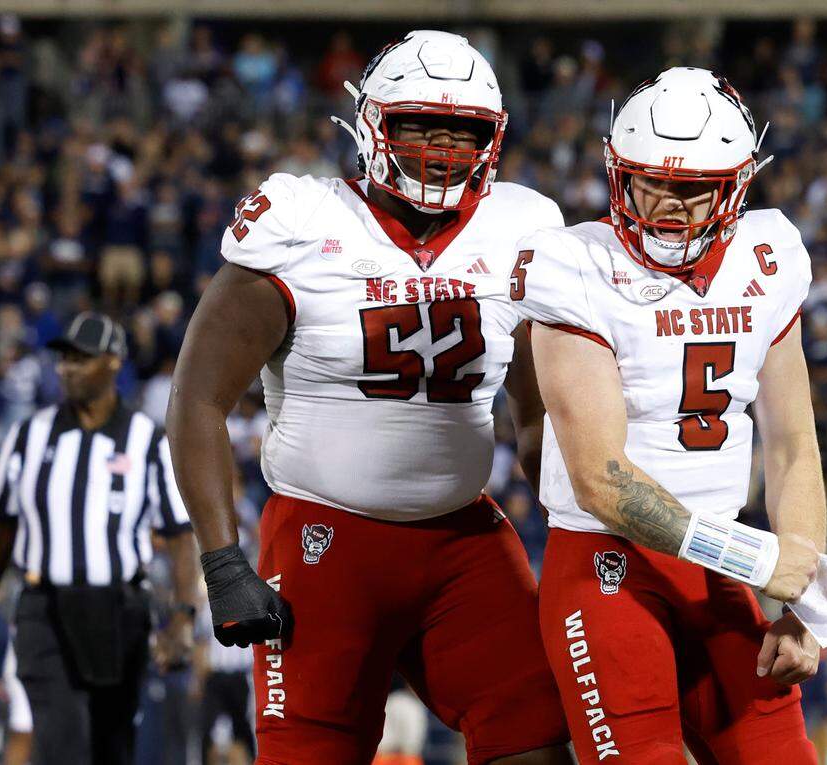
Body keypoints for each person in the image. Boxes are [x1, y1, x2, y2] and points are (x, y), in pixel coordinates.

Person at [166, 30, 572, 765]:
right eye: (420, 122)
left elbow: (536, 409)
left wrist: (571, 522)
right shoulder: (302, 222)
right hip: (328, 540)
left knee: (536, 733)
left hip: (462, 539)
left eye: (464, 128)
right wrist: (222, 563)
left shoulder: (525, 227)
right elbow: (197, 396)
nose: (444, 144)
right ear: (372, 124)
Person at [508, 68, 825, 763]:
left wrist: (803, 606)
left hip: (716, 568)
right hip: (605, 561)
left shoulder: (767, 256)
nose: (666, 202)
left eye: (692, 187)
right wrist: (754, 558)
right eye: (649, 180)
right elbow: (601, 480)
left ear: (736, 186)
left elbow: (794, 443)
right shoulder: (574, 262)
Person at [0, 312, 198, 764]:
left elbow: (178, 533)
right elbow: (2, 528)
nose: (66, 367)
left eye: (80, 358)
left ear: (112, 362)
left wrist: (183, 616)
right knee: (59, 742)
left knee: (111, 748)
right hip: (42, 610)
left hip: (119, 612)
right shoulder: (29, 435)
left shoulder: (145, 439)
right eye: (64, 358)